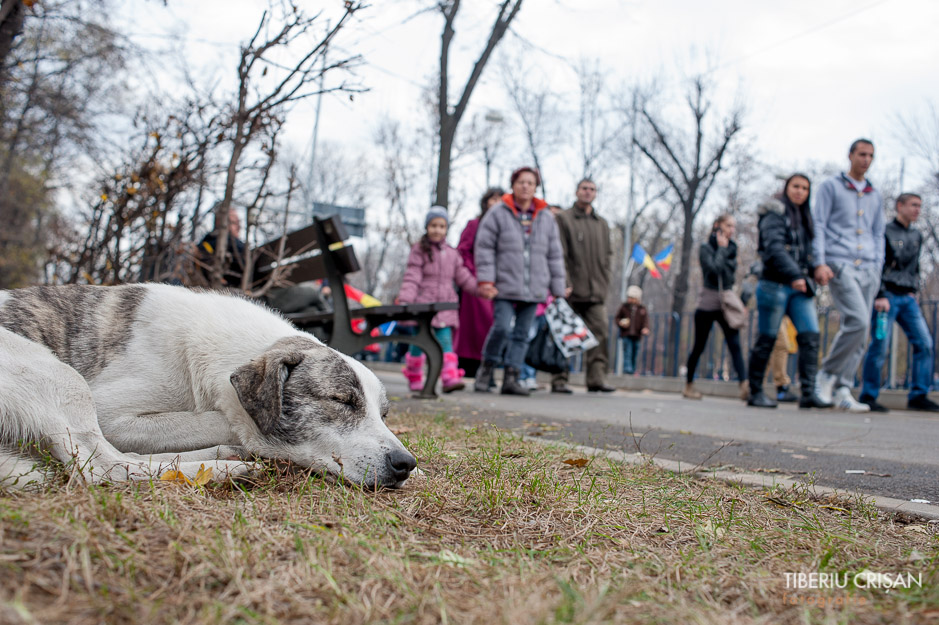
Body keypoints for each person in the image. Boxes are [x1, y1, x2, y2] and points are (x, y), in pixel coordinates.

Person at [474, 167, 567, 396]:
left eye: (530, 183)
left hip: (534, 287)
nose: (525, 186)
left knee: (523, 334)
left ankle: (511, 378)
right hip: (504, 285)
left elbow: (554, 254)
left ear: (536, 187)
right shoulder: (498, 212)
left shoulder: (546, 217)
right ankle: (486, 370)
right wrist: (486, 279)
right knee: (502, 328)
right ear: (513, 185)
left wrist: (557, 288)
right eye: (521, 182)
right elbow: (484, 247)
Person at [745, 174, 832, 409]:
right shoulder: (774, 213)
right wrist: (794, 275)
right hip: (775, 283)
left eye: (805, 188)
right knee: (768, 338)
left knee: (810, 336)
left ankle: (808, 392)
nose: (800, 191)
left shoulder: (805, 218)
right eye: (796, 186)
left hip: (800, 286)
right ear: (786, 188)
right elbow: (773, 248)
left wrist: (817, 269)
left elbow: (806, 253)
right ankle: (755, 392)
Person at [812, 139, 885, 412]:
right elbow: (819, 224)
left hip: (869, 268)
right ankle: (827, 374)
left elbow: (878, 233)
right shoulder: (831, 186)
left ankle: (843, 387)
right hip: (840, 263)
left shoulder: (874, 194)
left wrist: (878, 265)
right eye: (862, 154)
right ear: (850, 155)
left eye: (871, 156)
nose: (866, 160)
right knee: (857, 320)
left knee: (862, 329)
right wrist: (820, 262)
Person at [860, 193, 939, 412]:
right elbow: (877, 265)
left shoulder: (916, 235)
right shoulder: (884, 231)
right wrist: (880, 294)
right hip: (886, 296)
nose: (917, 210)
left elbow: (915, 267)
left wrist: (914, 290)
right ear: (900, 206)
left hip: (908, 298)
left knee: (925, 344)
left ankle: (918, 395)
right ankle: (868, 395)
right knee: (880, 345)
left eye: (920, 206)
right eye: (913, 205)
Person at [398, 206, 484, 393]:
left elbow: (463, 277)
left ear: (446, 229)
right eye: (433, 225)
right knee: (418, 344)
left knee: (445, 342)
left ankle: (449, 378)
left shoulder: (452, 254)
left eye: (442, 226)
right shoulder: (419, 250)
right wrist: (406, 299)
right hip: (423, 308)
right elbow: (412, 276)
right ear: (427, 227)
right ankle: (414, 375)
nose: (437, 230)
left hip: (445, 306)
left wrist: (480, 289)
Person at [551, 179, 615, 393]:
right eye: (584, 189)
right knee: (564, 335)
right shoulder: (564, 219)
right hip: (571, 291)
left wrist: (605, 281)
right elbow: (560, 254)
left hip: (596, 291)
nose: (588, 192)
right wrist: (564, 283)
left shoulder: (602, 224)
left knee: (601, 332)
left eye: (592, 189)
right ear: (577, 191)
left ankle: (596, 379)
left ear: (595, 194)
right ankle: (559, 379)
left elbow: (608, 256)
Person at [684, 214, 747, 400]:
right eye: (728, 225)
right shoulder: (705, 248)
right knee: (699, 345)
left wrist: (724, 254)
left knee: (734, 343)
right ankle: (688, 385)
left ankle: (744, 384)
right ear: (717, 225)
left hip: (725, 302)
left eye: (733, 226)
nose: (732, 230)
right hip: (708, 302)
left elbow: (729, 275)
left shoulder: (733, 247)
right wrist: (721, 250)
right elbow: (712, 270)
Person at [455, 187, 503, 379]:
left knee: (493, 324)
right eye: (493, 199)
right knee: (473, 326)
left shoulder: (505, 228)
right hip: (474, 283)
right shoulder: (475, 224)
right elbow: (463, 251)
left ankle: (487, 363)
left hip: (498, 283)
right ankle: (467, 364)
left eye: (501, 199)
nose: (497, 203)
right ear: (486, 202)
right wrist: (473, 275)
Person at [615, 285, 649, 375]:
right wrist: (621, 323)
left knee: (635, 353)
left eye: (632, 298)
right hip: (626, 334)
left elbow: (645, 321)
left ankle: (632, 369)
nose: (630, 299)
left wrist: (645, 328)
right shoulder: (624, 307)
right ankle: (627, 369)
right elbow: (617, 318)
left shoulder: (642, 309)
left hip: (637, 335)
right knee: (628, 352)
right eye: (629, 297)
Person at [768, 318, 799, 402]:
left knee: (768, 344)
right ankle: (781, 386)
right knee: (780, 345)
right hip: (776, 308)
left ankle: (754, 388)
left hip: (783, 312)